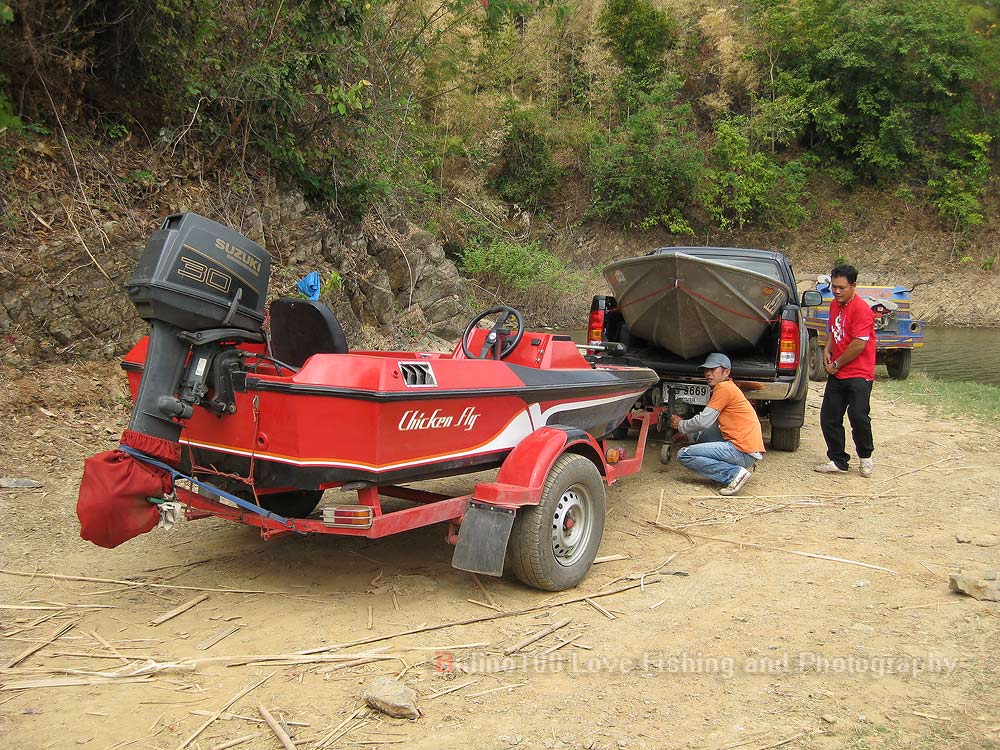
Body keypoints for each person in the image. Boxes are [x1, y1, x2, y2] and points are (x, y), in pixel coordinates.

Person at [669, 353, 765, 496]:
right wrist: (687, 431)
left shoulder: (723, 388)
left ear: (726, 372)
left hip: (741, 450)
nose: (708, 373)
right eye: (706, 370)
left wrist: (681, 424)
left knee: (684, 455)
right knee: (697, 435)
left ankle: (734, 474)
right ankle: (731, 469)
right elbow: (709, 424)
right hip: (747, 448)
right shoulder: (729, 387)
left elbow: (703, 421)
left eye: (713, 370)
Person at [814, 264, 876, 477]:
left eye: (842, 287)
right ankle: (838, 459)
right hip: (837, 372)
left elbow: (859, 344)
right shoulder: (834, 305)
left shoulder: (861, 310)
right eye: (834, 286)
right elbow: (833, 329)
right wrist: (827, 350)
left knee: (858, 416)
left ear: (853, 286)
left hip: (859, 372)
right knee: (829, 417)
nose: (837, 291)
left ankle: (865, 456)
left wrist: (837, 364)